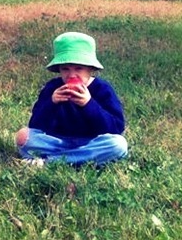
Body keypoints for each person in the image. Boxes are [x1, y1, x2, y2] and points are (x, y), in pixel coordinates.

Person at [15, 32, 128, 167]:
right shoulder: (53, 88)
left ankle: (49, 162)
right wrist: (52, 103)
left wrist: (89, 105)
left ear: (90, 69)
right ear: (59, 70)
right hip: (57, 142)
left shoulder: (102, 89)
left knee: (118, 145)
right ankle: (77, 158)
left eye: (79, 68)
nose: (71, 74)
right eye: (65, 69)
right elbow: (35, 124)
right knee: (23, 136)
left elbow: (116, 127)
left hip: (91, 142)